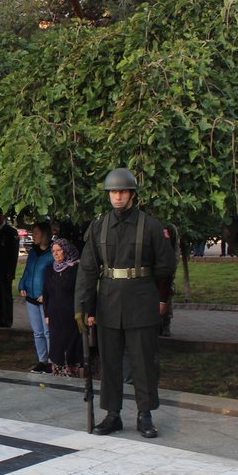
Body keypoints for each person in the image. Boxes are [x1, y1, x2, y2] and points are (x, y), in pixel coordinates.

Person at [74, 168, 176, 437]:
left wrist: (158, 296)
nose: (117, 196)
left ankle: (145, 414)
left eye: (122, 192)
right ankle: (113, 414)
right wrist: (84, 306)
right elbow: (87, 269)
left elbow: (166, 266)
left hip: (141, 301)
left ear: (132, 194)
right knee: (109, 362)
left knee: (143, 362)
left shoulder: (151, 226)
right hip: (108, 302)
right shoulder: (99, 226)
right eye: (113, 192)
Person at [44, 237, 84, 376]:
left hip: (71, 314)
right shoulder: (49, 269)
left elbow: (81, 291)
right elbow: (46, 293)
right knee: (56, 344)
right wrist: (46, 315)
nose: (56, 253)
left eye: (59, 250)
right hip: (54, 314)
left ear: (66, 250)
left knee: (72, 343)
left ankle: (73, 371)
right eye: (53, 251)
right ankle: (58, 371)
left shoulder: (76, 268)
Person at [19, 222, 53, 373]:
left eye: (37, 233)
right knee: (37, 332)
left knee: (47, 331)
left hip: (45, 298)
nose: (34, 236)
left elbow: (55, 277)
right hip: (31, 297)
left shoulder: (52, 252)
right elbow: (27, 271)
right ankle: (42, 360)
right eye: (33, 233)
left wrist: (46, 294)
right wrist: (22, 285)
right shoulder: (33, 252)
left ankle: (52, 362)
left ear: (45, 234)